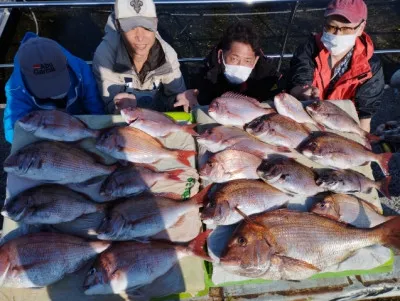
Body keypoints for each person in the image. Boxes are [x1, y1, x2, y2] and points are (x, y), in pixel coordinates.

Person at [288, 0, 384, 132]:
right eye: (331, 27)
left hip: (343, 125)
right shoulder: (308, 48)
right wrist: (303, 90)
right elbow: (298, 80)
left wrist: (364, 143)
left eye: (346, 28)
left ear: (361, 28)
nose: (337, 34)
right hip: (308, 118)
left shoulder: (371, 66)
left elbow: (365, 116)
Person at [3, 32, 105, 143]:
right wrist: (45, 134)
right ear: (25, 76)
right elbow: (12, 132)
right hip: (48, 132)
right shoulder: (15, 89)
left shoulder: (81, 68)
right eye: (43, 85)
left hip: (76, 122)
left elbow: (94, 104)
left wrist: (98, 127)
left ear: (65, 64)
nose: (53, 90)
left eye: (57, 79)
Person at [92, 0, 186, 113]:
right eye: (131, 28)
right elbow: (109, 104)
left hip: (159, 119)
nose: (140, 37)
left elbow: (175, 96)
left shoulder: (168, 55)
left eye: (147, 27)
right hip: (126, 121)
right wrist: (118, 107)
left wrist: (179, 101)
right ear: (118, 26)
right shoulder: (105, 56)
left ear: (155, 24)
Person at [176, 22, 282, 109]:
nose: (240, 65)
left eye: (247, 60)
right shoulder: (204, 74)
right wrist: (188, 96)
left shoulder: (269, 77)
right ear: (220, 55)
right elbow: (187, 100)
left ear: (256, 60)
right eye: (234, 59)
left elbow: (280, 94)